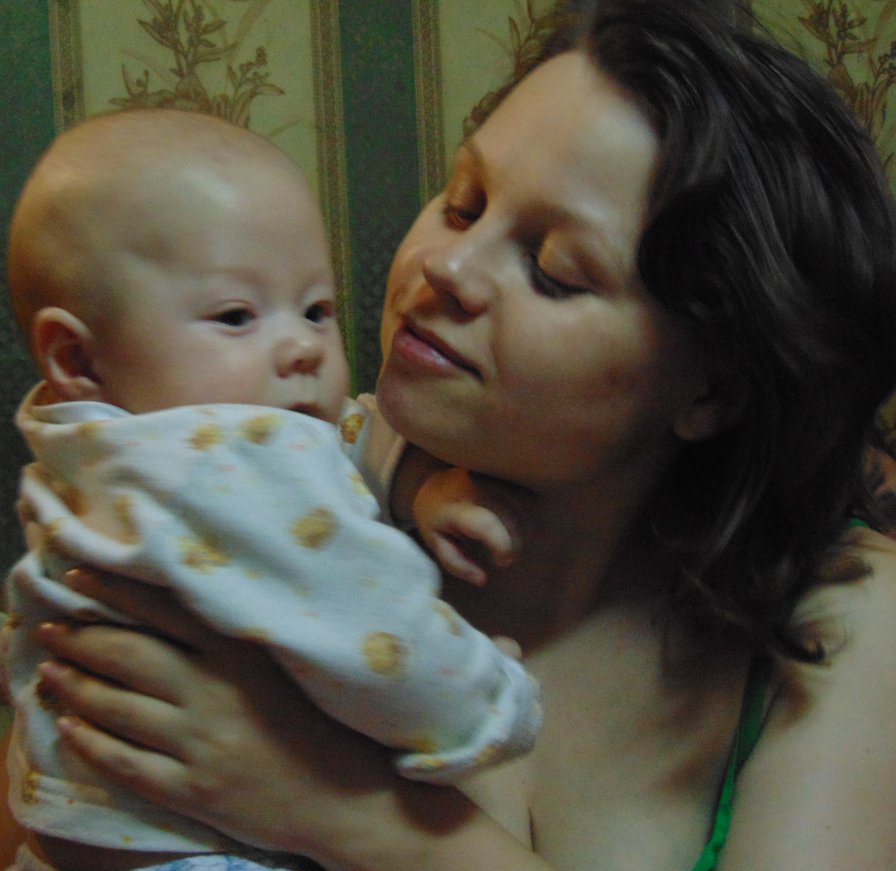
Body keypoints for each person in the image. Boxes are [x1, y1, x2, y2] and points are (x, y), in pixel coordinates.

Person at [12, 0, 896, 868]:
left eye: (553, 270)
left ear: (713, 388)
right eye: (465, 203)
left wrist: (350, 814)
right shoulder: (264, 488)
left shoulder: (846, 612)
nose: (446, 266)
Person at [1, 108, 543, 870]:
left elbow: (341, 436)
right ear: (79, 358)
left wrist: (420, 489)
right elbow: (369, 626)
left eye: (317, 309)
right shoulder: (220, 461)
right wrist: (490, 700)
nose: (302, 347)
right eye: (235, 315)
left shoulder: (94, 437)